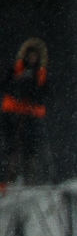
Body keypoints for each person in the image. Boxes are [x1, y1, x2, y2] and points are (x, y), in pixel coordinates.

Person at [1, 38, 49, 186]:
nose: (32, 58)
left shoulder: (41, 74)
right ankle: (9, 181)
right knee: (11, 148)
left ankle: (31, 181)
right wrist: (21, 85)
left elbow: (43, 94)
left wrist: (33, 90)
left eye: (35, 55)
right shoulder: (15, 70)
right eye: (30, 55)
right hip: (12, 115)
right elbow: (7, 87)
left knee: (31, 149)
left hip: (31, 116)